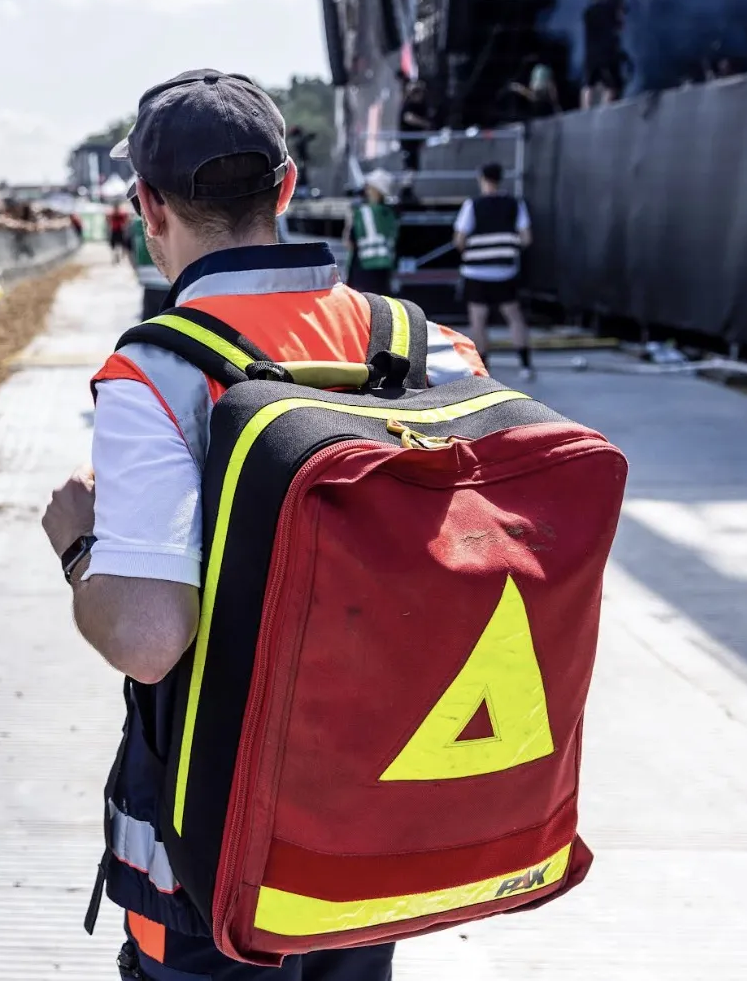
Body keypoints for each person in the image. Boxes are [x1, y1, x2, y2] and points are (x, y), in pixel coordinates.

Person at [38, 69, 487, 981]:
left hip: (214, 849)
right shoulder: (422, 345)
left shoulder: (158, 373)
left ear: (146, 207)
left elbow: (150, 639)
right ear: (285, 188)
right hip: (377, 818)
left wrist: (79, 544)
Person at [454, 161, 534, 381]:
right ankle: (526, 365)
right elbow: (526, 238)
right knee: (513, 315)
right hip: (504, 271)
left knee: (478, 319)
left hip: (476, 271)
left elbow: (459, 239)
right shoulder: (515, 204)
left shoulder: (472, 205)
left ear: (482, 178)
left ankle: (483, 369)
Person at [346, 169, 400, 295]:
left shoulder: (362, 213)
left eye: (369, 187)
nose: (366, 190)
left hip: (363, 270)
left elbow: (349, 242)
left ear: (377, 191)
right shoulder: (391, 214)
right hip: (385, 268)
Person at [127, 201, 171, 320]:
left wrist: (135, 269)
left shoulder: (136, 223)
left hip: (148, 279)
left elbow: (129, 247)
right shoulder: (172, 216)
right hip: (169, 281)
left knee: (150, 319)